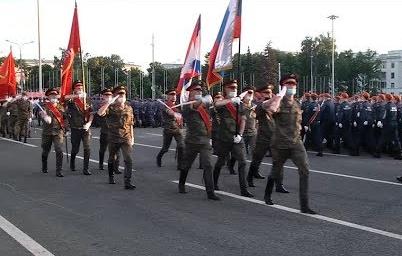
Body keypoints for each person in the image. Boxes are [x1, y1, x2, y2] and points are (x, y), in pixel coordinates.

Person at [263, 74, 316, 214]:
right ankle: (267, 195)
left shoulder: (297, 103)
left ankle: (304, 205)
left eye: (293, 84)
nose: (291, 86)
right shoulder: (278, 101)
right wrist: (279, 96)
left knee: (305, 170)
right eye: (288, 83)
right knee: (275, 171)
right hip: (280, 144)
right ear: (282, 86)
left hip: (296, 143)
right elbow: (272, 109)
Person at [178, 80, 220, 200]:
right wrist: (203, 100)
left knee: (208, 165)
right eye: (196, 90)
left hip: (205, 141)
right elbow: (194, 105)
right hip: (192, 141)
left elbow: (215, 110)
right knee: (186, 165)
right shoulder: (186, 105)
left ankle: (210, 192)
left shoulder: (206, 106)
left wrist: (213, 102)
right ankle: (181, 184)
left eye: (200, 90)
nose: (199, 92)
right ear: (190, 93)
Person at [212, 79, 253, 198]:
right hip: (224, 138)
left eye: (235, 87)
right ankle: (214, 182)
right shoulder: (223, 102)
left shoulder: (240, 103)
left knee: (243, 162)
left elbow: (243, 120)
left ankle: (244, 189)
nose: (234, 89)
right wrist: (230, 100)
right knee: (220, 161)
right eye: (231, 87)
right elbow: (216, 105)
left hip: (237, 139)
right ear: (225, 88)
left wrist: (240, 134)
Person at [97, 85, 136, 190]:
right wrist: (110, 102)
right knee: (112, 158)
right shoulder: (110, 107)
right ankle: (111, 176)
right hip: (113, 137)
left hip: (126, 137)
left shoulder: (129, 107)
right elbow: (100, 113)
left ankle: (127, 182)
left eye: (123, 94)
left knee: (128, 159)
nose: (122, 96)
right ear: (115, 96)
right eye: (119, 94)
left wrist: (132, 137)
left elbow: (131, 123)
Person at [64, 80, 94, 175]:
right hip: (75, 128)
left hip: (85, 128)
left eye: (81, 88)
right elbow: (64, 97)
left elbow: (91, 113)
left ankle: (86, 168)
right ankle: (72, 163)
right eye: (78, 88)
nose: (80, 89)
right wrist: (77, 96)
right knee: (75, 149)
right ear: (74, 89)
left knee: (87, 148)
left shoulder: (87, 99)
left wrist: (89, 123)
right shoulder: (72, 99)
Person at [39, 88, 67, 177]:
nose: (54, 97)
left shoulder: (61, 107)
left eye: (55, 96)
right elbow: (41, 113)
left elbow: (65, 119)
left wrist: (66, 129)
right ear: (48, 97)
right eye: (52, 96)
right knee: (45, 150)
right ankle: (44, 166)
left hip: (58, 132)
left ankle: (59, 170)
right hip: (47, 132)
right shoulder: (44, 106)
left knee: (59, 150)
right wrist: (44, 117)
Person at [156, 88, 184, 169]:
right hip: (168, 130)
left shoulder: (179, 105)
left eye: (174, 95)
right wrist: (175, 114)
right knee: (165, 149)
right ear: (167, 96)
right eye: (171, 95)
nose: (173, 96)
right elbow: (170, 112)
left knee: (181, 146)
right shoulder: (165, 105)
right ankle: (159, 157)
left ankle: (180, 164)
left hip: (178, 129)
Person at [97, 88, 121, 173]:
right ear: (102, 96)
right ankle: (100, 164)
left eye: (110, 95)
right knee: (103, 149)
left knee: (116, 151)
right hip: (105, 131)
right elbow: (100, 113)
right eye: (106, 95)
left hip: (114, 132)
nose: (108, 96)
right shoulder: (101, 104)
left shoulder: (115, 105)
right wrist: (108, 103)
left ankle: (116, 167)